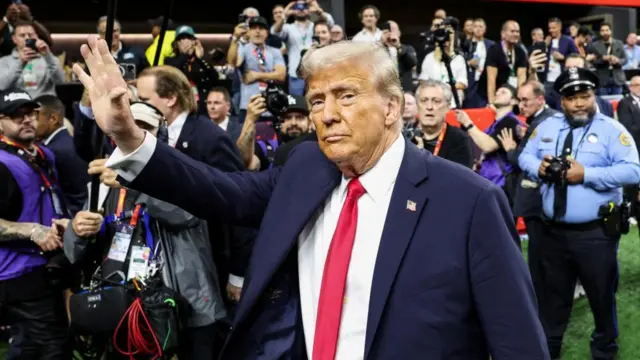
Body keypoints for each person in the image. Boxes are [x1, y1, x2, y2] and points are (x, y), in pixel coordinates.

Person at [73, 36, 548, 360]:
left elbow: (518, 344)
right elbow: (221, 191)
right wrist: (130, 136)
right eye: (317, 100)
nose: (327, 114)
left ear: (391, 107)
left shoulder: (468, 201)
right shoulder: (304, 167)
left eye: (345, 96)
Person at [519, 67, 640, 360]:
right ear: (562, 101)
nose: (579, 104)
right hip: (552, 233)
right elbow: (525, 155)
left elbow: (633, 170)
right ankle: (548, 351)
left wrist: (586, 174)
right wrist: (541, 168)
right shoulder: (546, 127)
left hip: (596, 234)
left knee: (601, 299)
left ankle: (604, 351)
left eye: (585, 96)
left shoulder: (613, 131)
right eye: (572, 98)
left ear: (593, 95)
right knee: (552, 300)